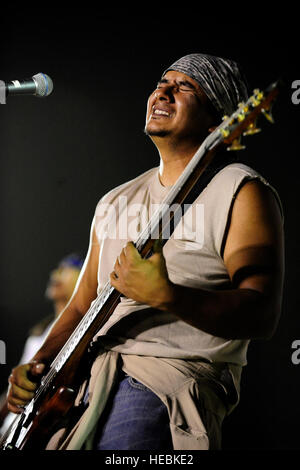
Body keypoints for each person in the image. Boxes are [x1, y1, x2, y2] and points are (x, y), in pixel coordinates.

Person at [5, 53, 284, 450]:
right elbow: (82, 306)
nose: (163, 92)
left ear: (220, 119)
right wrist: (38, 366)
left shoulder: (241, 189)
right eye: (161, 83)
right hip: (83, 385)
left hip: (163, 380)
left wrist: (169, 296)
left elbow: (263, 313)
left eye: (185, 86)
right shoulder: (115, 200)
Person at [0, 253, 83, 434]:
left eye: (68, 268)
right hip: (12, 429)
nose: (56, 274)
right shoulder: (39, 332)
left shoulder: (81, 329)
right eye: (57, 269)